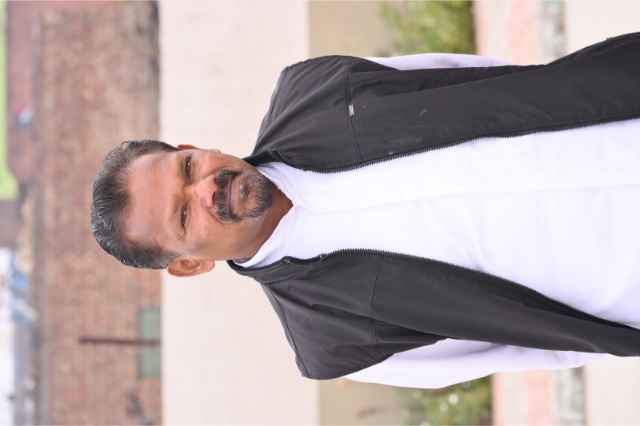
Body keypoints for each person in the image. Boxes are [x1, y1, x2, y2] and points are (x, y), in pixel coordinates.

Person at [91, 32, 640, 388]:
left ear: (190, 147)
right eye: (183, 216)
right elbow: (530, 347)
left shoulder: (314, 90)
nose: (206, 189)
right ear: (189, 264)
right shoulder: (333, 342)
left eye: (187, 168)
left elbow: (482, 77)